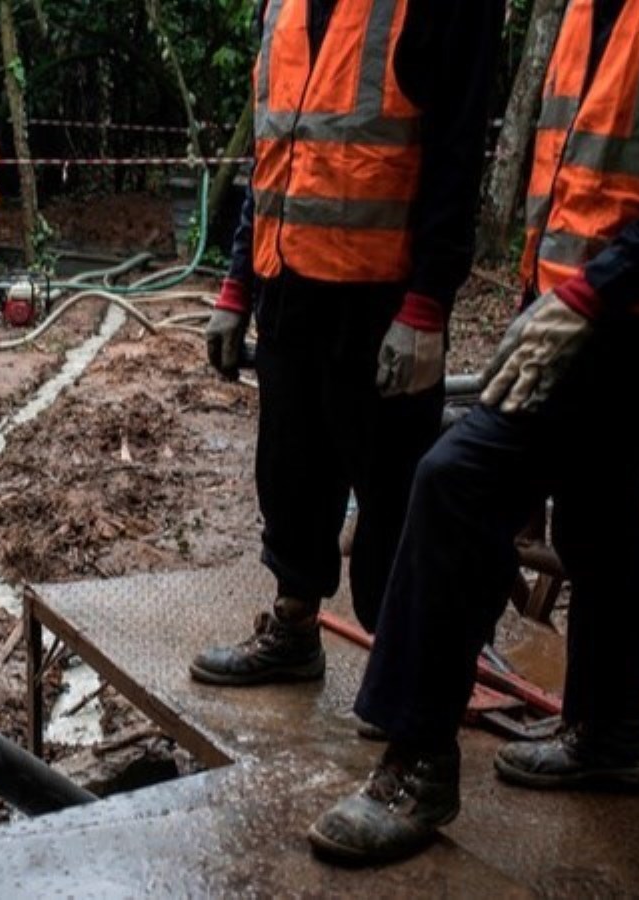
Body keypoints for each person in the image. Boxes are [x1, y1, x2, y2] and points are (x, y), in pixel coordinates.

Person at [309, 0, 639, 866]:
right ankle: (615, 730)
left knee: (456, 479)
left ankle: (415, 766)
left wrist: (591, 295)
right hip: (589, 287)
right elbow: (579, 160)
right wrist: (545, 292)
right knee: (594, 488)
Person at [187, 0, 502, 689]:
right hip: (289, 280)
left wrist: (426, 306)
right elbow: (274, 151)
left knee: (393, 491)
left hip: (380, 296)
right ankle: (294, 629)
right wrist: (237, 285)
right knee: (290, 470)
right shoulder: (283, 6)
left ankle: (406, 680)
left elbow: (457, 155)